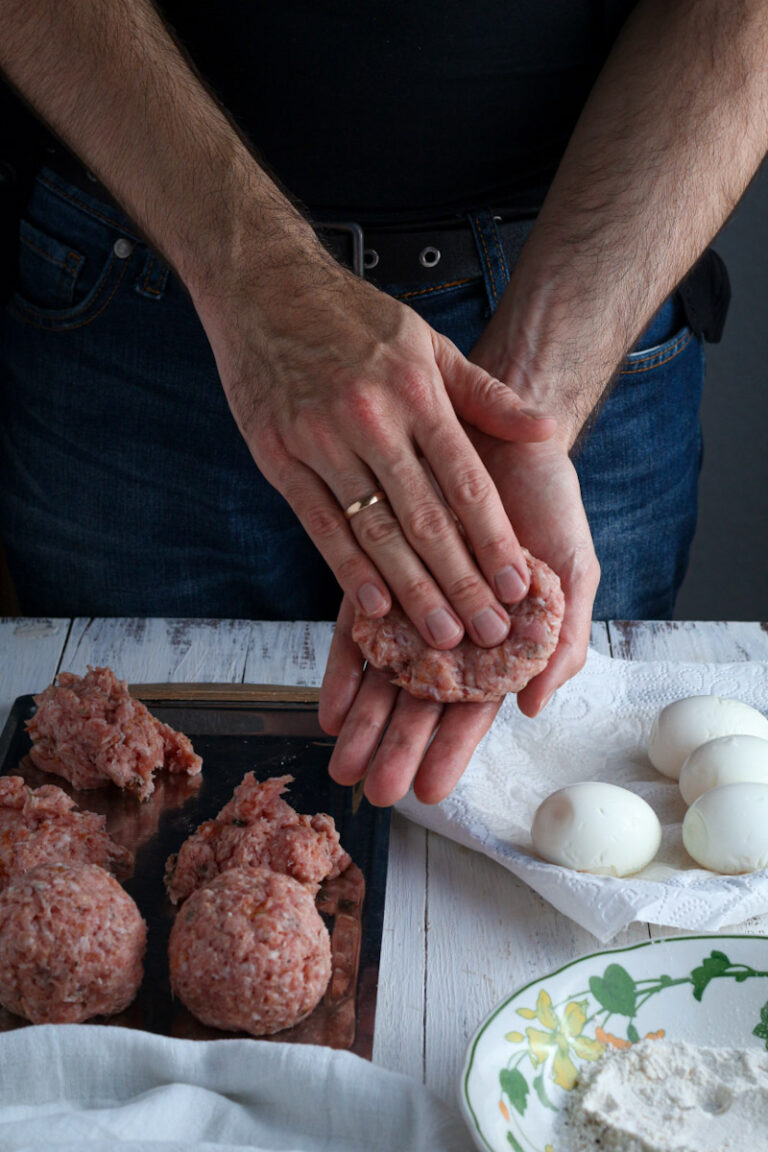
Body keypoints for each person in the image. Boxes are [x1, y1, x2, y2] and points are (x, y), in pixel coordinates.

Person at [0, 0, 760, 807]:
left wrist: (524, 398)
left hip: (590, 279)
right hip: (145, 276)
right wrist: (263, 280)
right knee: (116, 802)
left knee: (572, 809)